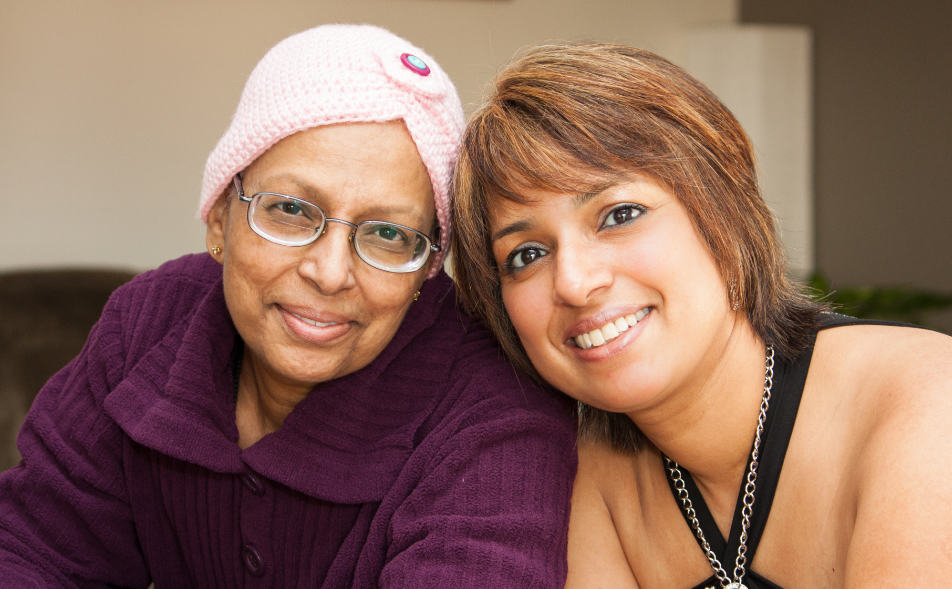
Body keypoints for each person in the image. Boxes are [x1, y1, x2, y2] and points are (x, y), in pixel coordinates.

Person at [0, 25, 577, 587]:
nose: (329, 273)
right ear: (222, 217)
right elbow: (30, 548)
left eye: (389, 235)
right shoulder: (148, 323)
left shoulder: (497, 410)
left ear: (427, 270)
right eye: (292, 211)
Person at [450, 42, 952, 587]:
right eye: (527, 255)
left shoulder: (924, 402)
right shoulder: (589, 476)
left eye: (620, 214)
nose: (573, 282)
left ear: (726, 211)